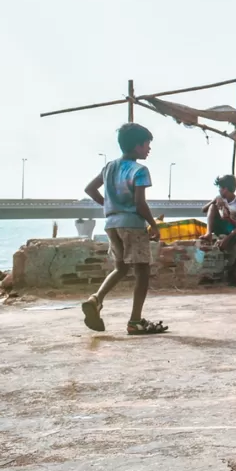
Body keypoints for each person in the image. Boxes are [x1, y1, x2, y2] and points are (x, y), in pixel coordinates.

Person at [80, 123, 166, 335]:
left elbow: (90, 189)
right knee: (142, 271)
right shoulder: (140, 170)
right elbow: (140, 204)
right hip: (133, 225)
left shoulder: (109, 166)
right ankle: (135, 321)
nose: (149, 149)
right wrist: (153, 225)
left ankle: (96, 299)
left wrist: (110, 206)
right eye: (147, 144)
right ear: (137, 146)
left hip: (112, 224)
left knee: (121, 268)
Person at [204, 174, 236, 285]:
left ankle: (233, 272)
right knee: (212, 207)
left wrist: (227, 239)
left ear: (225, 189)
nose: (219, 190)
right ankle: (208, 233)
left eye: (220, 188)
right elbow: (204, 210)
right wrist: (214, 200)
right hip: (220, 226)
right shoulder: (219, 199)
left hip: (232, 228)